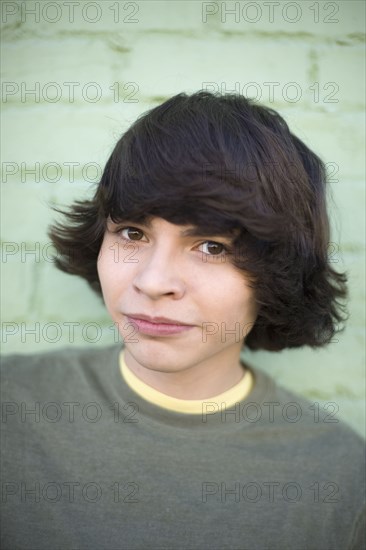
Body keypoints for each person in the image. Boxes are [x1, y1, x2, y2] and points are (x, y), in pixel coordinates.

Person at [1, 91, 364, 550]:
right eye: (132, 233)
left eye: (212, 246)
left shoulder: (342, 479)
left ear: (280, 270)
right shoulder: (11, 407)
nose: (154, 282)